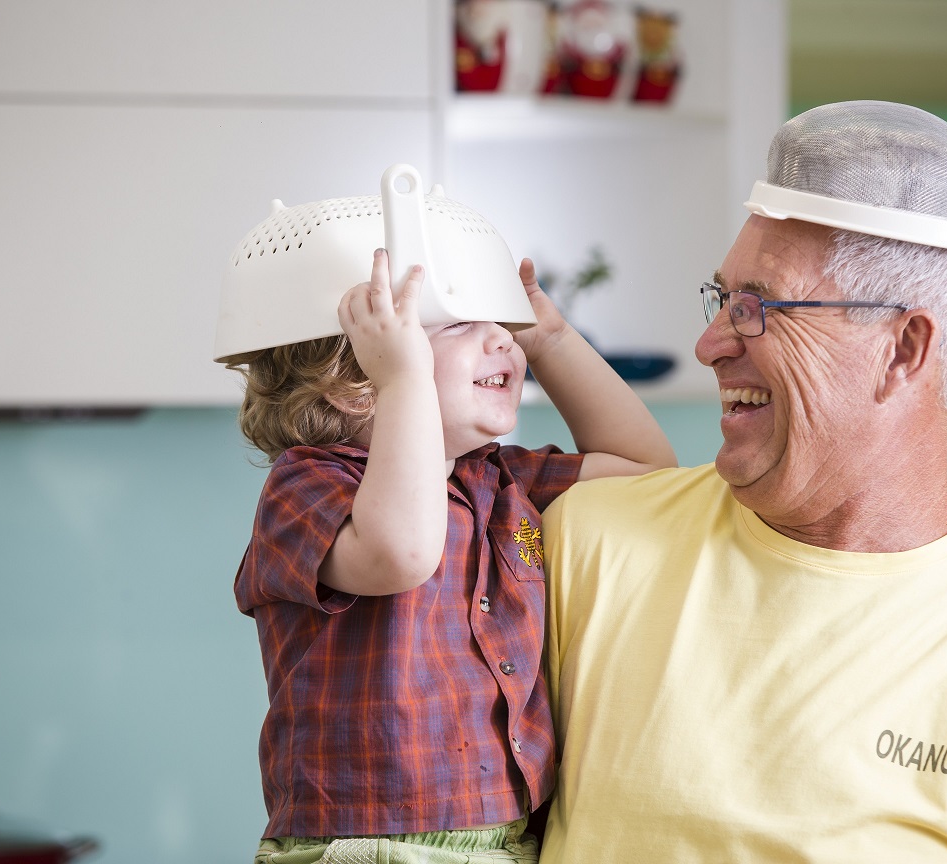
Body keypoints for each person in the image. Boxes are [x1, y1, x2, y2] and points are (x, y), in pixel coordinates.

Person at [538, 101, 947, 862]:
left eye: (758, 307)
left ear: (902, 349)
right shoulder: (584, 543)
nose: (709, 344)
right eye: (722, 299)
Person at [221, 190, 676, 862]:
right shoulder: (308, 485)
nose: (502, 339)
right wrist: (406, 381)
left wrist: (550, 340)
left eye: (501, 322)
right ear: (356, 384)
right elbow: (402, 551)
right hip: (368, 846)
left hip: (508, 839)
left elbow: (648, 473)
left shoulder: (500, 480)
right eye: (458, 325)